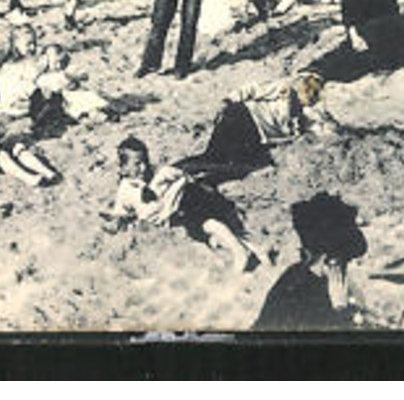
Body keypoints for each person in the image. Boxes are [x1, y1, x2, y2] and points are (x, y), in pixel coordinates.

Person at [103, 136, 259, 272]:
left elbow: (183, 175)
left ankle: (239, 251)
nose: (143, 168)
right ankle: (247, 246)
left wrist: (196, 188)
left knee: (204, 223)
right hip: (172, 219)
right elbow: (121, 212)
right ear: (123, 168)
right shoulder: (125, 190)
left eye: (145, 162)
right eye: (137, 164)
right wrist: (116, 222)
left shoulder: (161, 173)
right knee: (205, 236)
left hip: (186, 199)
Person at [254, 192, 371, 330]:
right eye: (345, 260)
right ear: (329, 260)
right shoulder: (296, 292)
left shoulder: (303, 276)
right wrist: (340, 309)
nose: (346, 267)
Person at [191, 71, 337, 180]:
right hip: (243, 117)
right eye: (309, 92)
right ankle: (179, 172)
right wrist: (229, 100)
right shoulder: (285, 90)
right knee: (221, 159)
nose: (311, 97)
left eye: (314, 95)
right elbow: (253, 89)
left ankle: (191, 176)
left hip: (255, 134)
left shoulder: (306, 115)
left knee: (228, 163)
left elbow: (321, 131)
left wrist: (334, 133)